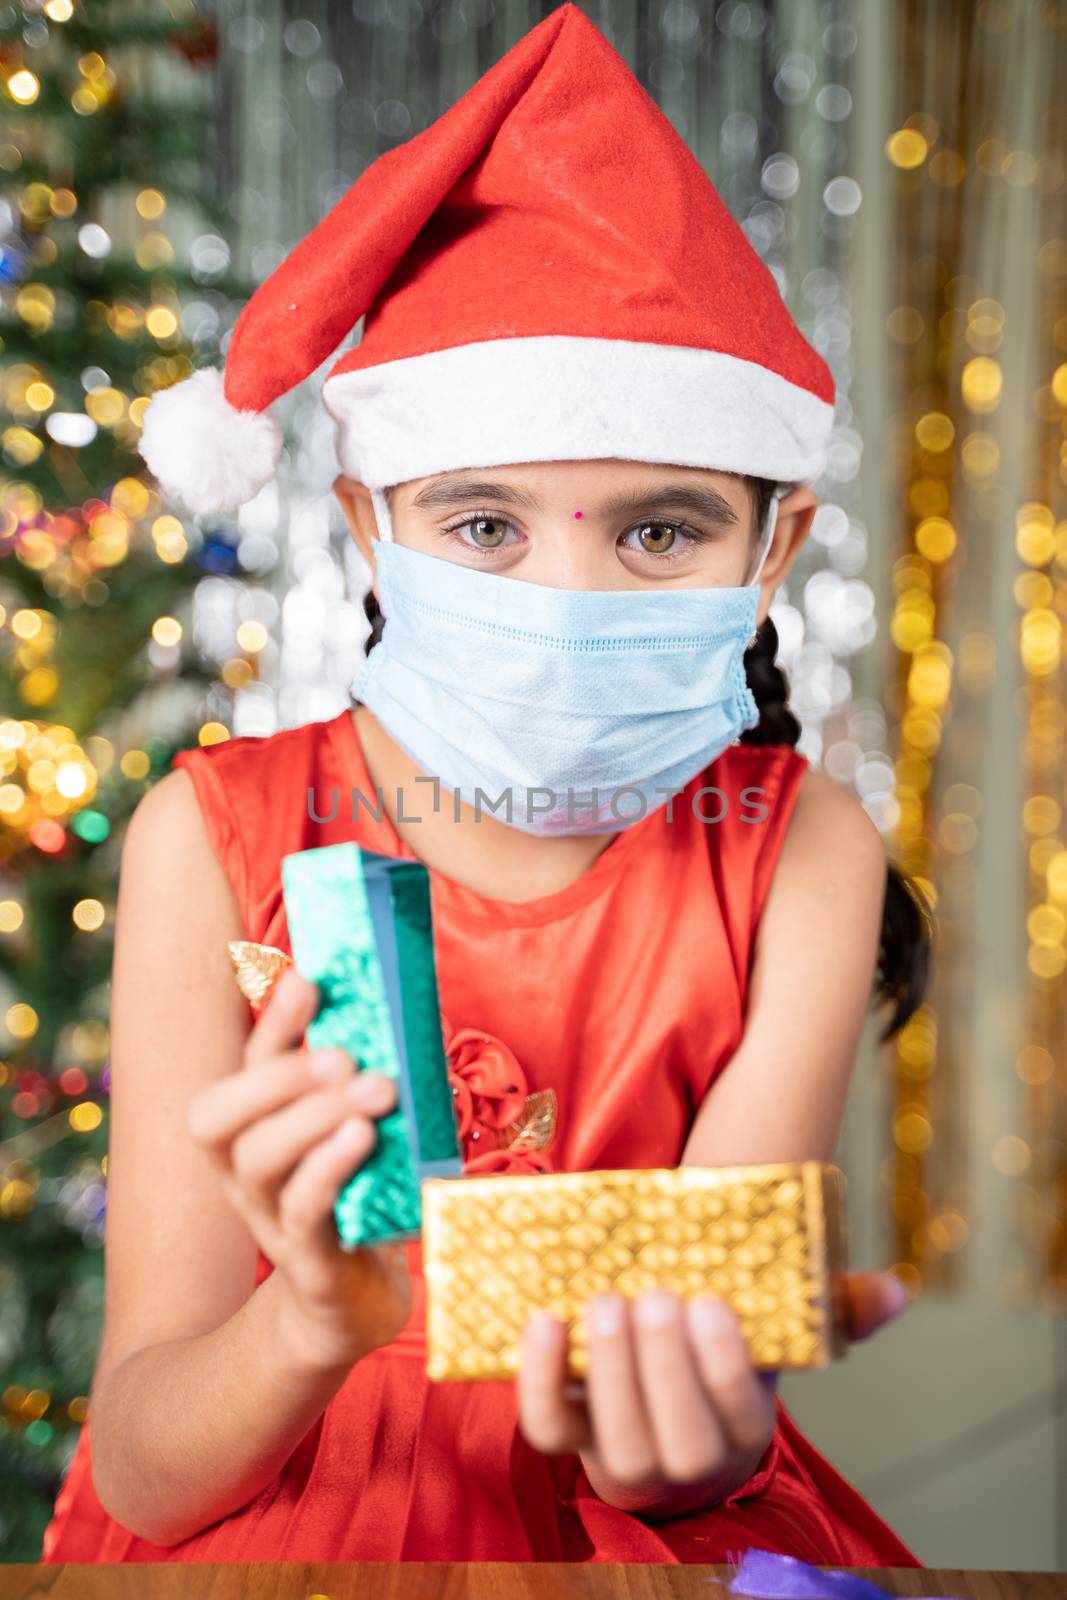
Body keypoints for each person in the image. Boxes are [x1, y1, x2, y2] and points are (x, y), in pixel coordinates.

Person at [39, 4, 931, 1568]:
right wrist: (312, 1323)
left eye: (658, 530)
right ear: (371, 523)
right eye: (485, 527)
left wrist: (688, 1422)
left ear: (771, 548)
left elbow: (697, 1424)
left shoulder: (802, 853)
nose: (570, 592)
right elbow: (150, 1472)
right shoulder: (220, 836)